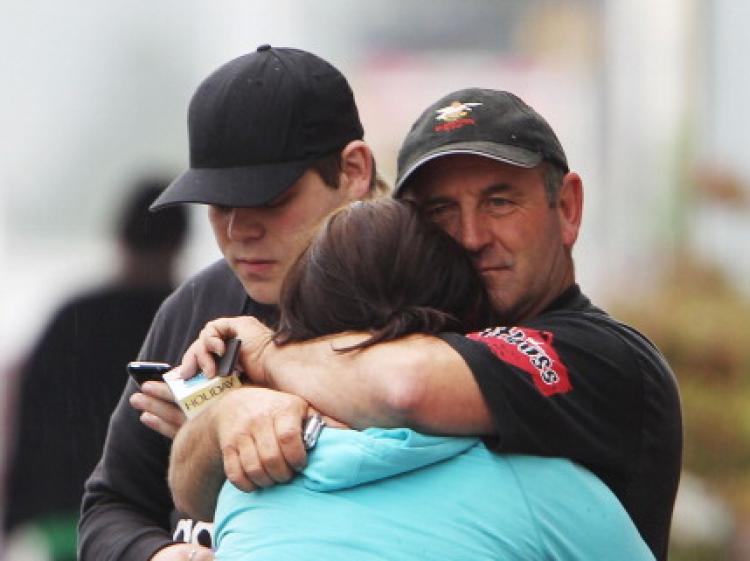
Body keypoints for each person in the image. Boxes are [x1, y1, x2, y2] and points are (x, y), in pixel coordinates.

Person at [171, 88, 682, 561]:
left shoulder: (603, 354)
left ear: (566, 208)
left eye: (499, 202)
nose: (471, 235)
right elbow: (188, 492)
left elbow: (407, 386)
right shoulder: (369, 361)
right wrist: (228, 414)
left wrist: (269, 356)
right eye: (440, 211)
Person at [78, 46, 379, 561]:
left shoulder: (429, 302)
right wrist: (155, 554)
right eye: (219, 203)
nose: (240, 230)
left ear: (352, 171)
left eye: (269, 198)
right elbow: (111, 507)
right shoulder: (196, 304)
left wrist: (222, 433)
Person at [4, 179, 188, 561]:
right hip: (152, 529)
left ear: (120, 237)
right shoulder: (189, 320)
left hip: (61, 517)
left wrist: (15, 517)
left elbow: (23, 417)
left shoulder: (74, 315)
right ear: (179, 243)